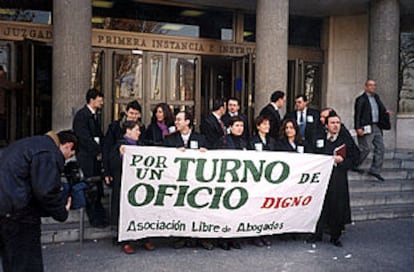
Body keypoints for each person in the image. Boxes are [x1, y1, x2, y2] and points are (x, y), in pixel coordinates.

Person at [0, 130, 77, 272]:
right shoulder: (48, 152)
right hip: (19, 214)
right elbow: (45, 191)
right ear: (68, 145)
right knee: (26, 263)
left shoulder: (30, 144)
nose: (66, 159)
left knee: (12, 261)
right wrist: (61, 212)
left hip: (7, 208)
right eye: (70, 155)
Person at [163, 110, 214, 250]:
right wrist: (173, 153)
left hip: (197, 182)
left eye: (179, 120)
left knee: (199, 208)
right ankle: (182, 236)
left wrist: (206, 153)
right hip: (178, 182)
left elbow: (213, 159)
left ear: (187, 122)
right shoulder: (170, 139)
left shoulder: (201, 138)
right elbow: (163, 156)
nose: (176, 122)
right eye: (176, 120)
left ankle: (201, 237)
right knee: (181, 208)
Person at [311, 112, 354, 247]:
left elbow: (355, 157)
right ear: (327, 125)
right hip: (322, 179)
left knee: (337, 207)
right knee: (320, 207)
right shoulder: (320, 138)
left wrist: (342, 162)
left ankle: (335, 237)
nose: (335, 126)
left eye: (338, 123)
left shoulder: (345, 139)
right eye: (333, 123)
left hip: (338, 179)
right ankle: (316, 234)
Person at [107, 121, 148, 254]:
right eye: (136, 130)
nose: (139, 133)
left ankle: (144, 238)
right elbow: (112, 164)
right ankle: (125, 241)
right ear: (128, 131)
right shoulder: (119, 145)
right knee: (124, 211)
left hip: (139, 185)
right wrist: (120, 155)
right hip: (123, 184)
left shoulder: (141, 145)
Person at [73, 88, 107, 228]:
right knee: (90, 187)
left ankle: (99, 216)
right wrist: (98, 148)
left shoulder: (94, 115)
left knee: (96, 186)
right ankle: (94, 217)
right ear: (92, 100)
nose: (102, 103)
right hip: (87, 157)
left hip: (94, 156)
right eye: (100, 100)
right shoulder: (82, 115)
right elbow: (84, 138)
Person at [217, 115, 246, 250]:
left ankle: (234, 237)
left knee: (237, 210)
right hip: (225, 180)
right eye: (237, 126)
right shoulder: (223, 141)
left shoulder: (244, 142)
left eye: (241, 126)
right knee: (224, 211)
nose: (240, 128)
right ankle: (223, 239)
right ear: (230, 128)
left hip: (239, 181)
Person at [354, 80, 391, 181]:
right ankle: (354, 163)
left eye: (374, 85)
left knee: (380, 148)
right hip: (366, 126)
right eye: (370, 85)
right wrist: (357, 127)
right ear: (365, 87)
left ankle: (375, 170)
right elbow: (357, 114)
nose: (372, 87)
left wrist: (385, 113)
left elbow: (380, 109)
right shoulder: (361, 99)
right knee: (366, 148)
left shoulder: (376, 97)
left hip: (377, 126)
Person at [103, 100, 144, 186]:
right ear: (126, 112)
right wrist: (107, 171)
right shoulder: (115, 126)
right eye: (131, 113)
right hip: (117, 169)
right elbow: (107, 148)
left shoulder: (142, 128)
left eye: (136, 114)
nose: (133, 116)